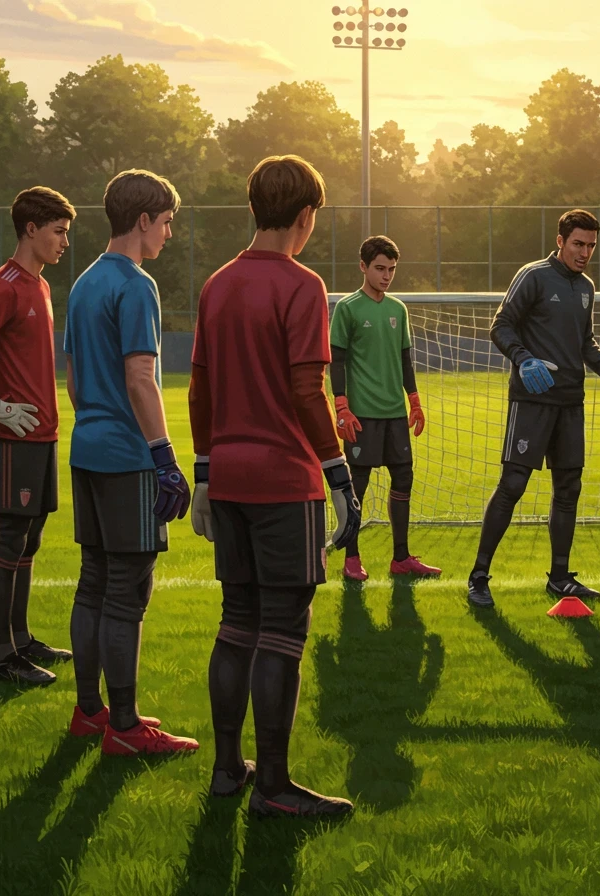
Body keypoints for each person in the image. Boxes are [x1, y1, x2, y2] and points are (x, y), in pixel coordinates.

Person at [190, 154, 361, 815]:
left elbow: (201, 388)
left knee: (237, 620)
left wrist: (204, 471)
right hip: (285, 480)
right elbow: (305, 388)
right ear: (307, 214)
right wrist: (338, 472)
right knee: (284, 631)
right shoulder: (303, 284)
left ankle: (227, 770)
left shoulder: (217, 283)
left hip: (229, 477)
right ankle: (275, 786)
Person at [64, 169, 197, 753]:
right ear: (143, 220)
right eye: (166, 222)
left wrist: (98, 423)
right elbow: (141, 377)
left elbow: (73, 380)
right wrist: (164, 457)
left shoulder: (83, 282)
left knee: (92, 582)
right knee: (126, 592)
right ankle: (124, 727)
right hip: (127, 459)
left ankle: (89, 712)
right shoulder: (136, 285)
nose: (168, 233)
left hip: (87, 450)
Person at [467, 209, 600, 609]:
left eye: (591, 246)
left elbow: (586, 343)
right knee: (513, 484)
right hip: (532, 400)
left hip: (570, 402)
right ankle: (479, 576)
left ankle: (560, 577)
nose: (585, 252)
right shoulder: (533, 276)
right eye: (578, 244)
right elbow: (500, 325)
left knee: (568, 488)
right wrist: (524, 359)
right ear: (560, 241)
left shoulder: (586, 287)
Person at [0, 186, 75, 686]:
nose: (65, 241)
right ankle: (3, 657)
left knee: (30, 537)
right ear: (31, 228)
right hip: (12, 439)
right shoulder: (3, 285)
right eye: (58, 231)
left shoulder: (40, 285)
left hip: (42, 436)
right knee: (8, 537)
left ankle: (23, 640)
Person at [330, 235, 439, 581]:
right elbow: (337, 361)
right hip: (362, 415)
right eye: (380, 268)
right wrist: (341, 406)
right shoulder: (347, 308)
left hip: (395, 414)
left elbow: (405, 360)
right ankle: (351, 558)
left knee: (404, 477)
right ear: (363, 267)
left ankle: (401, 558)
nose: (387, 275)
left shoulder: (398, 309)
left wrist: (414, 400)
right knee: (357, 485)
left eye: (391, 269)